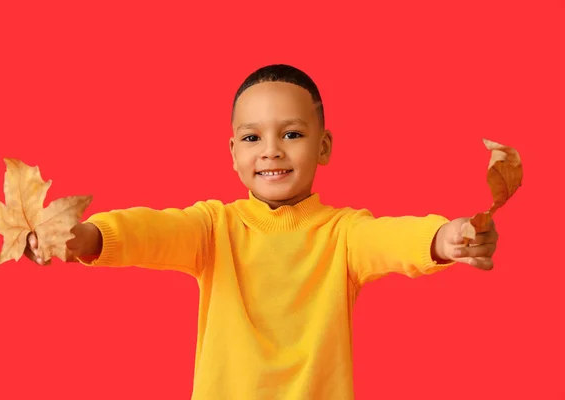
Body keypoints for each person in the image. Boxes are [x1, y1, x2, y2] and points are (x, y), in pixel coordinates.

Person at [25, 64, 499, 399]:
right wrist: (84, 238)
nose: (271, 151)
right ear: (233, 153)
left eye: (291, 134)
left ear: (324, 146)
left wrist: (446, 236)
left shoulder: (344, 233)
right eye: (252, 138)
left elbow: (393, 240)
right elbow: (151, 230)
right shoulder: (213, 227)